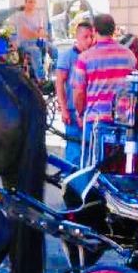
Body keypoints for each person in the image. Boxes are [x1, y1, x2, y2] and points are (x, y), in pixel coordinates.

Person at [71, 12, 138, 167]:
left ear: (94, 30)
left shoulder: (85, 57)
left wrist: (80, 113)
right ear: (113, 30)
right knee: (121, 165)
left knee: (92, 166)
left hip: (96, 120)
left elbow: (79, 92)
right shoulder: (129, 55)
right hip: (123, 120)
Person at [54, 16, 94, 167]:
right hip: (72, 110)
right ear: (77, 37)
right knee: (74, 151)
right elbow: (59, 83)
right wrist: (63, 109)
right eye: (85, 37)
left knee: (90, 149)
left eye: (91, 36)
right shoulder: (67, 56)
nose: (89, 40)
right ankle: (72, 186)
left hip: (90, 112)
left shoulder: (93, 55)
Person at [14, 0, 48, 78]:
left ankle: (53, 72)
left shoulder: (38, 15)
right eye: (30, 2)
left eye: (34, 2)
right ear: (25, 3)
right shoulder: (20, 16)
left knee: (53, 49)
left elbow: (41, 28)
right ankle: (41, 79)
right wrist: (39, 35)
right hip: (25, 42)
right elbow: (25, 33)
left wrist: (41, 31)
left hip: (37, 40)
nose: (32, 4)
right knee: (36, 51)